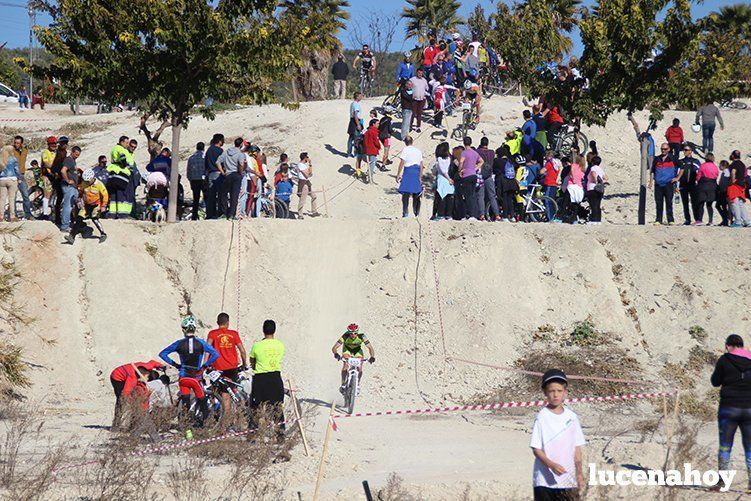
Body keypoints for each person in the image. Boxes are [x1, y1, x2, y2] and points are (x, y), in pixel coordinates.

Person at [530, 369, 586, 501]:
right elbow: (536, 449)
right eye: (551, 391)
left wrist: (579, 474)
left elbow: (577, 449)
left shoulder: (572, 417)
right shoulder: (542, 417)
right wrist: (551, 465)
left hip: (568, 479)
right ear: (545, 392)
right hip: (544, 480)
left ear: (565, 392)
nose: (555, 395)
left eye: (559, 391)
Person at [159, 316, 219, 427]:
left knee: (185, 403)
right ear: (194, 329)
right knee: (203, 403)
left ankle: (187, 431)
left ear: (183, 329)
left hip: (183, 377)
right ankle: (207, 428)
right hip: (196, 377)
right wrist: (205, 366)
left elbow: (162, 354)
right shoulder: (201, 343)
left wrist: (175, 364)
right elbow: (216, 354)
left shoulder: (178, 343)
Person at [711, 334, 751, 493]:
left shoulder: (724, 360)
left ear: (728, 346)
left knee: (725, 446)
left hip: (729, 408)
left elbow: (715, 382)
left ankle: (722, 482)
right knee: (749, 447)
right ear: (742, 345)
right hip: (749, 409)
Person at [248, 319, 286, 439]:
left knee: (256, 407)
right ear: (274, 330)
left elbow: (252, 361)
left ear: (263, 330)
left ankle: (253, 435)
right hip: (275, 377)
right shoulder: (280, 345)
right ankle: (280, 435)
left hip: (260, 378)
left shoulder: (257, 345)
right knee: (277, 407)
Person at [207, 312, 247, 424]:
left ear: (217, 323)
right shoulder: (233, 334)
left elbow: (207, 348)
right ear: (228, 323)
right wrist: (244, 364)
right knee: (227, 396)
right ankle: (227, 423)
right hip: (231, 368)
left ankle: (218, 420)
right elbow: (242, 351)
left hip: (216, 368)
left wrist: (205, 363)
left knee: (214, 394)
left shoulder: (212, 333)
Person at [109, 360, 165, 431]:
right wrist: (133, 403)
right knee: (120, 401)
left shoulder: (148, 367)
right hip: (117, 377)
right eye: (147, 379)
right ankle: (116, 425)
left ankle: (132, 425)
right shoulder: (132, 378)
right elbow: (125, 393)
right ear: (145, 375)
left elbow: (153, 362)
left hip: (127, 373)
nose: (146, 380)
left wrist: (162, 366)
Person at [64, 169, 108, 244]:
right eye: (86, 181)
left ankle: (103, 234)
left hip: (96, 205)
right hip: (86, 204)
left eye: (88, 181)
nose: (87, 183)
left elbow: (105, 195)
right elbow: (81, 192)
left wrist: (103, 206)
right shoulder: (84, 183)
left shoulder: (99, 184)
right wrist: (79, 200)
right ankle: (71, 237)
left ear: (93, 178)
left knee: (94, 218)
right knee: (78, 219)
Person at [332, 323, 375, 396]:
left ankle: (357, 384)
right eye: (351, 333)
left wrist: (372, 356)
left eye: (355, 333)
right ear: (348, 332)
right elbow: (334, 347)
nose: (353, 335)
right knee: (345, 364)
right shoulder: (345, 336)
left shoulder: (362, 336)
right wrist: (336, 354)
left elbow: (370, 347)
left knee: (360, 367)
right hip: (347, 350)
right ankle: (343, 384)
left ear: (357, 332)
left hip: (357, 351)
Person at [649, 143, 679, 225]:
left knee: (669, 202)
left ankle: (670, 220)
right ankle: (658, 219)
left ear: (669, 149)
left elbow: (682, 167)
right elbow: (652, 171)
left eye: (665, 149)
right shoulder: (657, 159)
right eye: (662, 149)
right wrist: (651, 182)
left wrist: (677, 178)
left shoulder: (673, 158)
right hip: (658, 184)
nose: (663, 150)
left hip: (669, 184)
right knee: (659, 203)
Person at [216, 137, 247, 219]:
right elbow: (241, 164)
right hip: (236, 174)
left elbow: (218, 162)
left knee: (223, 194)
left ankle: (224, 212)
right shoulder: (240, 154)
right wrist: (240, 172)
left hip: (228, 174)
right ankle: (232, 214)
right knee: (234, 195)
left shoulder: (226, 152)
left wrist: (223, 172)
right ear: (241, 145)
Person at [106, 136, 134, 218]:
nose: (127, 144)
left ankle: (112, 213)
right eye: (126, 143)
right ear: (122, 142)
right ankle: (122, 214)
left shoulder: (115, 148)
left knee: (114, 194)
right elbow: (122, 158)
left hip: (113, 174)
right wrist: (124, 164)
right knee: (121, 194)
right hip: (121, 174)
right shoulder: (120, 149)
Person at [396, 136, 424, 217]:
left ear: (405, 142)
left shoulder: (405, 149)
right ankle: (416, 212)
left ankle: (405, 212)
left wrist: (398, 174)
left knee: (405, 193)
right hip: (416, 170)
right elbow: (421, 164)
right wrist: (420, 176)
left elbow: (402, 162)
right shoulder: (418, 151)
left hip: (408, 171)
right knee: (416, 193)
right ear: (412, 141)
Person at [458, 136, 483, 220]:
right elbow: (481, 161)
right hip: (473, 175)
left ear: (464, 143)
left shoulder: (464, 152)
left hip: (466, 175)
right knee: (472, 195)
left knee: (467, 195)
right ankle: (473, 214)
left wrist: (460, 171)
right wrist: (475, 168)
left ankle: (469, 214)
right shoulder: (475, 153)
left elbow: (461, 162)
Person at [476, 137, 500, 221]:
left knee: (480, 196)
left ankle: (482, 215)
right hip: (489, 176)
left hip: (480, 176)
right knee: (492, 196)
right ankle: (497, 215)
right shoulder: (492, 152)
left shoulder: (477, 151)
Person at [59, 145, 81, 232]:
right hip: (69, 187)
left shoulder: (73, 161)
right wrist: (68, 180)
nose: (77, 156)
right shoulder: (69, 160)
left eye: (78, 155)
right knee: (68, 206)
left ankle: (76, 222)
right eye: (76, 154)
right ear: (72, 152)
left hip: (74, 187)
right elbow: (63, 170)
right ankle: (64, 226)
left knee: (77, 204)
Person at [677, 145, 700, 225]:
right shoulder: (680, 161)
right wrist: (676, 185)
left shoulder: (696, 161)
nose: (684, 151)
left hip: (693, 185)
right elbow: (677, 173)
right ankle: (687, 219)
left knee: (694, 202)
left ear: (691, 151)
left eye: (686, 150)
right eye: (684, 150)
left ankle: (697, 219)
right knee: (685, 203)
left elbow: (699, 173)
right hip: (683, 185)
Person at [431, 141, 454, 220]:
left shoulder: (440, 159)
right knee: (447, 196)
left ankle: (441, 214)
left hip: (443, 179)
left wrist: (448, 179)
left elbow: (443, 171)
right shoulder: (449, 159)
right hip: (447, 179)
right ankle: (448, 214)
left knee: (442, 197)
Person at [694, 152, 719, 225]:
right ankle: (710, 221)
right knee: (709, 204)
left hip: (703, 185)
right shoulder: (715, 167)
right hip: (712, 185)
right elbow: (716, 175)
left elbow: (698, 177)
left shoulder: (703, 166)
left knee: (701, 203)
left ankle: (700, 219)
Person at [204, 133, 225, 219]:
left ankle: (210, 214)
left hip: (210, 174)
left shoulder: (209, 150)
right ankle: (220, 213)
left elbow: (205, 163)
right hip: (218, 173)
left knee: (211, 196)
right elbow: (223, 163)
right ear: (220, 141)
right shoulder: (220, 151)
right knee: (220, 195)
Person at [11, 136, 31, 220]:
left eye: (18, 143)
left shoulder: (25, 151)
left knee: (26, 195)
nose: (16, 144)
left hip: (21, 175)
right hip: (13, 176)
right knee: (13, 197)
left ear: (21, 143)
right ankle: (13, 215)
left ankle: (28, 214)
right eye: (15, 142)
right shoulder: (10, 151)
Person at [728, 150, 749, 227]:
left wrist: (732, 180)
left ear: (733, 156)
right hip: (742, 185)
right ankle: (747, 221)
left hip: (735, 185)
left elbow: (733, 172)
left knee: (734, 203)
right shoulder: (742, 164)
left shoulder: (734, 164)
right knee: (740, 204)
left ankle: (738, 221)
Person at [0, 146, 21, 222]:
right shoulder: (13, 159)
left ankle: (1, 216)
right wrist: (20, 178)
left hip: (2, 180)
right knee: (11, 199)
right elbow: (17, 170)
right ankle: (12, 216)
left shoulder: (1, 158)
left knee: (2, 199)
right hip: (12, 179)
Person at [539, 150, 561, 222]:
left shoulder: (549, 163)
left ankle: (550, 217)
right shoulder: (557, 163)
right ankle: (554, 216)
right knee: (552, 201)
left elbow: (542, 171)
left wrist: (539, 172)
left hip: (549, 183)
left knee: (548, 201)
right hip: (554, 184)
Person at [186, 142, 205, 220]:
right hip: (203, 179)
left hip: (194, 180)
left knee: (195, 198)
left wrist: (190, 179)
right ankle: (206, 213)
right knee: (206, 197)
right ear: (203, 148)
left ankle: (194, 215)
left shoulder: (191, 158)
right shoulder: (205, 157)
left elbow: (188, 170)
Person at [40, 136, 58, 219]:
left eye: (55, 143)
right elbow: (46, 163)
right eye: (52, 144)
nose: (54, 145)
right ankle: (45, 214)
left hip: (56, 175)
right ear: (48, 144)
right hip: (47, 175)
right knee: (47, 194)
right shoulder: (45, 152)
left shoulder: (57, 152)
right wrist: (54, 167)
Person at [296, 152, 318, 219]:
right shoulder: (300, 165)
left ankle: (314, 211)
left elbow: (310, 173)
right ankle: (300, 214)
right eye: (307, 157)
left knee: (314, 196)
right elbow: (307, 175)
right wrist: (309, 171)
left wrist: (310, 164)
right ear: (305, 158)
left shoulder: (304, 165)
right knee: (303, 199)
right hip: (303, 183)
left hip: (307, 182)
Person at [586, 156, 606, 224]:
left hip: (592, 188)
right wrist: (601, 182)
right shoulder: (600, 169)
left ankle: (593, 220)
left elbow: (594, 175)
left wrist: (596, 181)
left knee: (593, 204)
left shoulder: (593, 168)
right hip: (600, 189)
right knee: (598, 205)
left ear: (592, 162)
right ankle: (598, 219)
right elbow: (605, 177)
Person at [409, 68, 429, 133]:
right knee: (412, 113)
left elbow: (427, 89)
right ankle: (410, 126)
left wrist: (425, 95)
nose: (420, 74)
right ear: (416, 73)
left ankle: (418, 127)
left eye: (421, 73)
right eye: (419, 73)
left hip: (421, 99)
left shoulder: (424, 80)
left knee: (419, 113)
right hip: (414, 99)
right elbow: (408, 88)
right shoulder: (412, 80)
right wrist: (410, 95)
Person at [363, 118, 381, 185]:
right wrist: (379, 146)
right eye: (377, 123)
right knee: (372, 165)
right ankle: (370, 179)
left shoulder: (368, 131)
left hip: (368, 149)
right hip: (373, 149)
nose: (378, 125)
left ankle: (369, 177)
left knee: (370, 164)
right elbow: (376, 141)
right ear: (373, 124)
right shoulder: (373, 131)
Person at [347, 92, 364, 158]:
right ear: (357, 97)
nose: (361, 97)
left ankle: (349, 153)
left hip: (352, 121)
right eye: (360, 96)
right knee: (356, 139)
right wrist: (358, 124)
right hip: (355, 121)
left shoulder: (352, 104)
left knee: (350, 138)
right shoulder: (356, 104)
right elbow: (355, 115)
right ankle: (356, 153)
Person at [717, 160, 732, 226]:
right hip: (723, 192)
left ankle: (727, 219)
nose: (719, 166)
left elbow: (724, 183)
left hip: (725, 192)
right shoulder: (724, 172)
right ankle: (725, 219)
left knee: (726, 206)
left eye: (720, 165)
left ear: (723, 165)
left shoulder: (726, 172)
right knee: (723, 206)